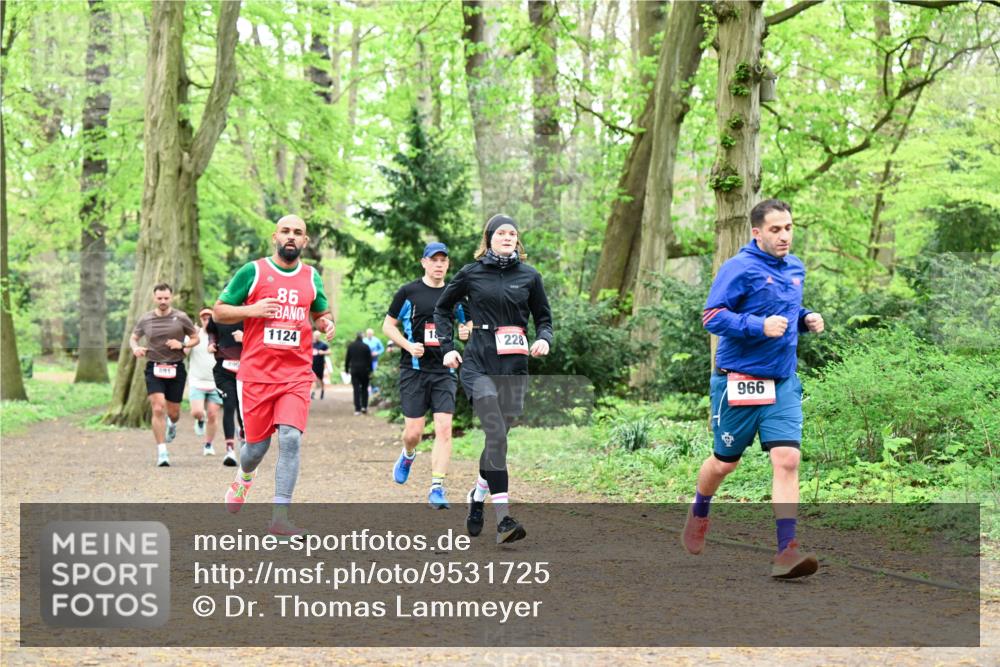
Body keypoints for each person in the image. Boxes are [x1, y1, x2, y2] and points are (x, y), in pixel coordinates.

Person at [684, 198, 825, 579]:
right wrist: (758, 326)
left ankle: (787, 550)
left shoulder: (795, 268)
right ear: (757, 232)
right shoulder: (739, 267)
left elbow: (786, 311)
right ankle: (700, 508)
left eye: (789, 228)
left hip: (782, 381)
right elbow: (712, 316)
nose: (784, 236)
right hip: (738, 381)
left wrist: (806, 318)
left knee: (787, 459)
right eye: (776, 229)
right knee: (724, 463)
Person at [214, 214, 335, 536]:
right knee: (256, 448)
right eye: (285, 231)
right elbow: (219, 311)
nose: (291, 236)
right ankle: (244, 477)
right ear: (275, 237)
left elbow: (321, 312)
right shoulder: (253, 272)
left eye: (298, 232)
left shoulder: (311, 276)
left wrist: (326, 323)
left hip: (296, 373)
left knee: (291, 439)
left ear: (305, 241)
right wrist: (251, 310)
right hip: (256, 375)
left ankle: (280, 517)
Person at [434, 215, 552, 544]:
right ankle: (504, 520)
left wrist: (544, 339)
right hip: (479, 364)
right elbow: (442, 309)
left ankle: (477, 496)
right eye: (501, 232)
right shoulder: (471, 273)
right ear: (489, 238)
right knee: (496, 433)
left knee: (497, 440)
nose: (507, 237)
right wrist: (447, 348)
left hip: (514, 368)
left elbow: (544, 318)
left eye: (512, 233)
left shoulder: (530, 276)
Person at [383, 242, 470, 509]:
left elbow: (468, 323)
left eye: (443, 260)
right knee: (414, 433)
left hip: (444, 370)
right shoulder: (408, 292)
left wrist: (467, 331)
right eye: (434, 260)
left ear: (448, 264)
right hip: (414, 371)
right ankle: (408, 454)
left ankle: (437, 488)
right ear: (424, 262)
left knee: (444, 429)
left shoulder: (455, 294)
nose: (439, 264)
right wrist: (408, 346)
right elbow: (388, 326)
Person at [129, 283, 199, 467]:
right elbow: (133, 338)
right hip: (154, 367)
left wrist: (182, 345)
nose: (163, 301)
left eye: (166, 298)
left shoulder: (181, 317)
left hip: (176, 367)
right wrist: (136, 348)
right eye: (159, 298)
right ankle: (162, 452)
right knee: (158, 407)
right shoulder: (146, 319)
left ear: (171, 297)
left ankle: (172, 423)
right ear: (154, 298)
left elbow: (195, 338)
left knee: (174, 413)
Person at [205, 313, 244, 467]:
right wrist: (211, 343)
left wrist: (245, 338)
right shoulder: (218, 314)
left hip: (246, 369)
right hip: (224, 370)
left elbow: (261, 337)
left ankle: (245, 440)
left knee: (243, 409)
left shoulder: (250, 312)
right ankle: (230, 450)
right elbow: (211, 331)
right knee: (229, 405)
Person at [186, 307, 223, 457]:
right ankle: (200, 420)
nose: (207, 321)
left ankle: (208, 444)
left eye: (209, 318)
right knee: (197, 412)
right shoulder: (196, 335)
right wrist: (190, 338)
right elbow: (184, 353)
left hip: (215, 382)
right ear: (200, 320)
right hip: (197, 380)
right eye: (204, 318)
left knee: (213, 415)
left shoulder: (220, 334)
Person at [345, 333, 372, 415]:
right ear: (362, 338)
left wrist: (346, 369)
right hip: (364, 370)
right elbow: (369, 359)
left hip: (354, 370)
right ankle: (364, 406)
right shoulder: (366, 346)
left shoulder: (351, 346)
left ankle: (357, 409)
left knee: (356, 389)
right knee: (364, 388)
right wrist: (370, 370)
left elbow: (347, 358)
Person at [311, 331, 330, 400]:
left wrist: (323, 352)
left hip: (320, 364)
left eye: (317, 336)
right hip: (312, 364)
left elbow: (329, 352)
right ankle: (313, 393)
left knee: (321, 379)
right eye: (315, 336)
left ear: (319, 336)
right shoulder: (311, 344)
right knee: (313, 379)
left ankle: (322, 391)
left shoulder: (323, 344)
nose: (316, 337)